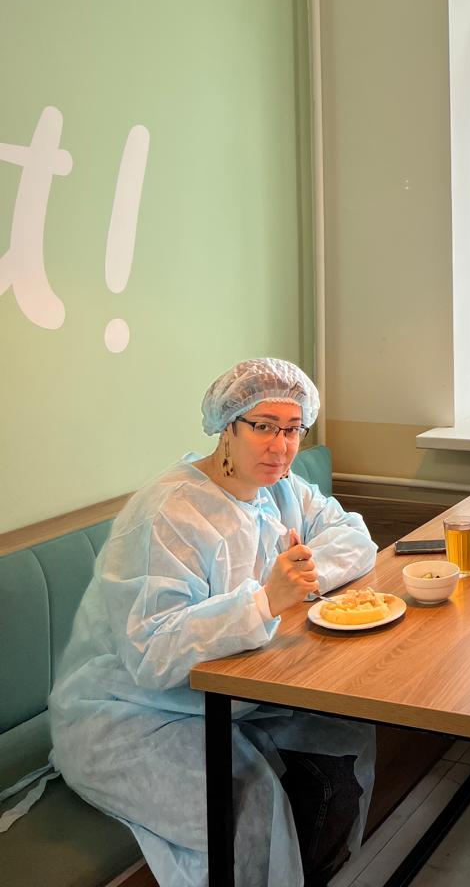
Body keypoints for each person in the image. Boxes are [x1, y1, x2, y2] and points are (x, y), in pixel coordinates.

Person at [48, 357, 378, 887]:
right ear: (228, 426)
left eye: (293, 429)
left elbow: (354, 537)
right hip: (127, 714)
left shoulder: (281, 487)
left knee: (343, 735)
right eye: (264, 426)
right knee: (245, 803)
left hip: (227, 696)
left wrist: (298, 579)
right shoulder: (170, 513)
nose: (281, 446)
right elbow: (152, 654)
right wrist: (264, 601)